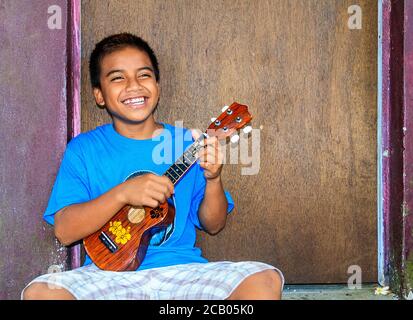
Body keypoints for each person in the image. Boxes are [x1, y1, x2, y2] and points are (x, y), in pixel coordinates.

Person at [22, 33, 284, 300]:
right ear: (99, 95)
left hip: (183, 272)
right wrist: (123, 193)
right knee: (41, 293)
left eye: (144, 75)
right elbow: (65, 232)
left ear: (157, 86)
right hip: (108, 275)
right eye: (117, 78)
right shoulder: (84, 149)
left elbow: (214, 224)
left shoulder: (187, 143)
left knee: (264, 280)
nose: (133, 85)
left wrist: (214, 178)